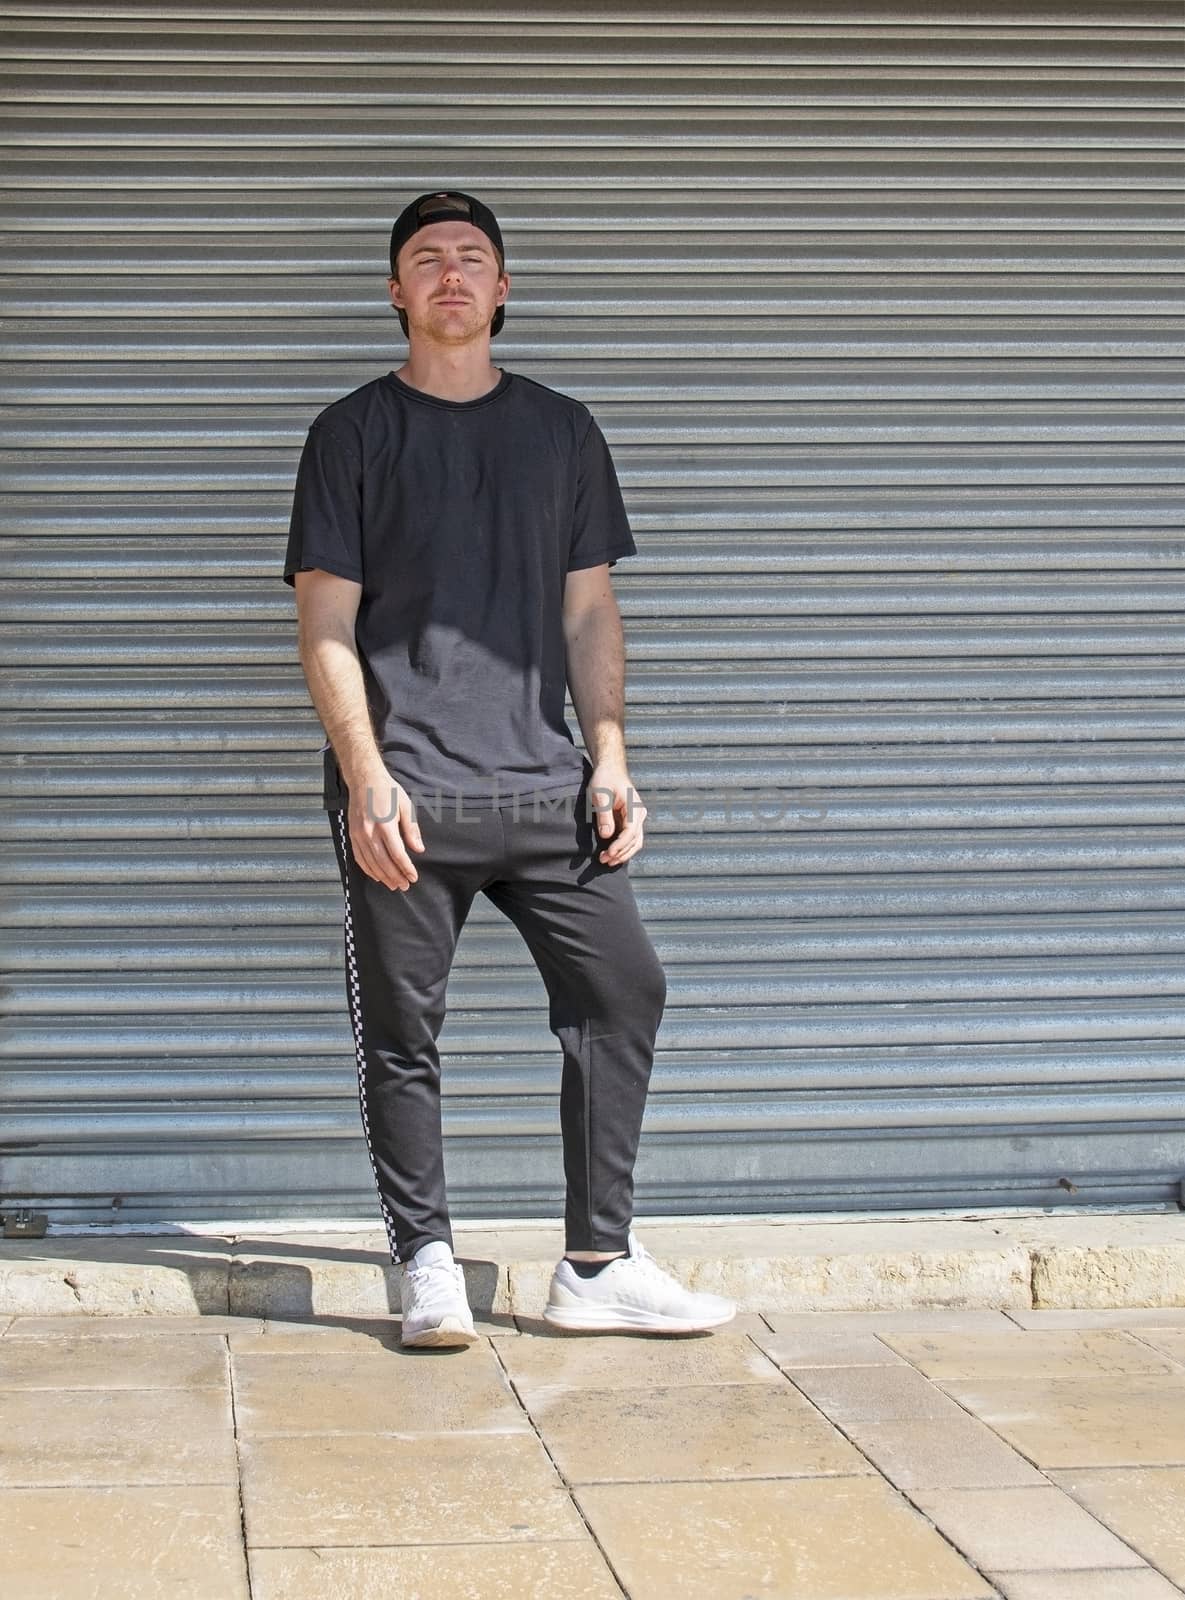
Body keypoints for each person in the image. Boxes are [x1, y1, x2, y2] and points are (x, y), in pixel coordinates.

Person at [283, 190, 735, 1347]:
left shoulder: (563, 431)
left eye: (471, 258)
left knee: (622, 988)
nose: (449, 275)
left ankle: (596, 1262)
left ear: (502, 288)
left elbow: (592, 610)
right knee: (401, 1032)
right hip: (408, 797)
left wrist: (613, 756)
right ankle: (424, 1256)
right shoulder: (349, 434)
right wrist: (365, 771)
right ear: (394, 291)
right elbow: (324, 623)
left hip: (545, 781)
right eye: (426, 259)